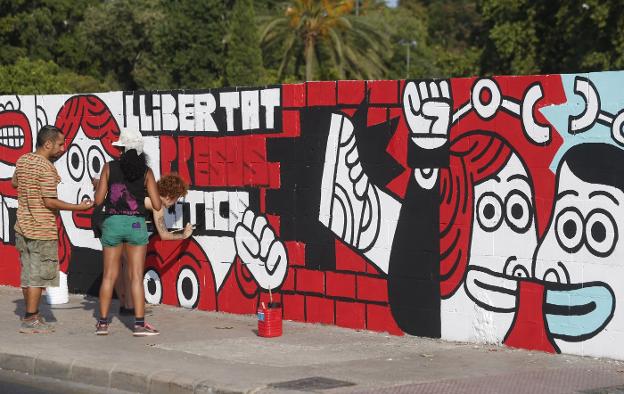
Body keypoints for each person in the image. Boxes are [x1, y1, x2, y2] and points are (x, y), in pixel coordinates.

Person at [12, 125, 92, 334]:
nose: (63, 148)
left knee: (28, 272)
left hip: (22, 227)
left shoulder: (23, 160)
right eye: (60, 144)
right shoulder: (47, 168)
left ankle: (32, 314)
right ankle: (31, 318)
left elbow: (14, 184)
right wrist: (79, 207)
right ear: (47, 144)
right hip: (42, 229)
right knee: (39, 276)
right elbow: (49, 202)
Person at [93, 129, 162, 336]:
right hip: (136, 225)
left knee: (109, 276)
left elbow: (98, 201)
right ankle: (139, 325)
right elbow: (157, 204)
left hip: (112, 223)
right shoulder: (146, 172)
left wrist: (97, 186)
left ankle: (103, 324)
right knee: (135, 276)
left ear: (121, 148)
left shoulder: (109, 167)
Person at [114, 173, 194, 315]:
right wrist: (184, 235)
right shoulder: (156, 203)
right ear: (170, 196)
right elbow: (163, 234)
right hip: (129, 229)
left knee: (125, 267)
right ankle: (132, 306)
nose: (174, 203)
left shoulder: (144, 190)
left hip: (111, 224)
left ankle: (126, 305)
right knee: (134, 269)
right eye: (176, 199)